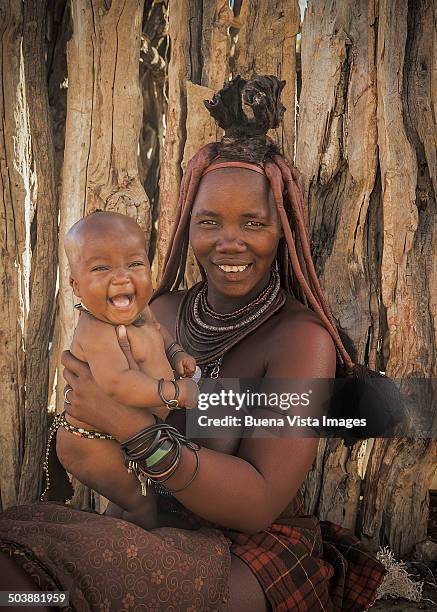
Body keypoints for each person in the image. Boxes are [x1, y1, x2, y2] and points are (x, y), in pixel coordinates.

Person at [0, 75, 386, 611]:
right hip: (151, 522)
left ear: (285, 232)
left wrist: (127, 424)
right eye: (209, 222)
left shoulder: (300, 338)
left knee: (52, 594)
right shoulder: (161, 312)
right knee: (17, 571)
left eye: (253, 222)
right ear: (186, 224)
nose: (230, 242)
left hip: (249, 552)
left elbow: (254, 503)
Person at [53, 211, 199, 530]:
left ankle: (114, 541)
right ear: (76, 286)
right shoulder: (96, 331)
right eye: (102, 268)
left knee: (129, 501)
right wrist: (173, 393)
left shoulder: (139, 310)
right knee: (141, 502)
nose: (122, 277)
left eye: (134, 264)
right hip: (91, 441)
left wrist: (177, 354)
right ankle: (129, 564)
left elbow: (159, 333)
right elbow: (118, 384)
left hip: (121, 434)